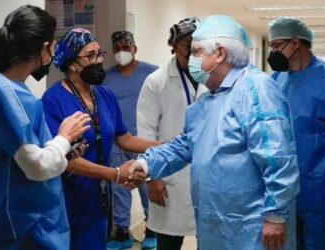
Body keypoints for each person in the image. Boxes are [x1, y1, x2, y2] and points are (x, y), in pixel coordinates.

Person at [127, 15, 300, 250]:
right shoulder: (207, 101)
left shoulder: (256, 91)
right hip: (215, 225)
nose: (191, 59)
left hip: (254, 228)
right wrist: (146, 165)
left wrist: (276, 215)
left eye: (197, 52)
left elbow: (277, 159)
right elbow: (184, 145)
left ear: (220, 54)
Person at [0, 5, 91, 249]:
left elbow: (17, 155)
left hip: (27, 220)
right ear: (44, 48)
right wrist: (64, 136)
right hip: (18, 228)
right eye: (52, 46)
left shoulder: (8, 88)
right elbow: (37, 166)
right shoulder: (1, 92)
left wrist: (64, 150)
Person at [41, 28, 160, 250]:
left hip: (98, 200)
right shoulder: (53, 100)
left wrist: (164, 145)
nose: (98, 61)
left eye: (99, 54)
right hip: (66, 200)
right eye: (89, 56)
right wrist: (115, 174)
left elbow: (124, 138)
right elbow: (66, 160)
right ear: (71, 63)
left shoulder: (104, 95)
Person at [136, 17, 207, 250]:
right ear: (175, 45)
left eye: (199, 43)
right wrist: (153, 177)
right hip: (169, 178)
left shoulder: (212, 77)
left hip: (208, 177)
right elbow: (145, 131)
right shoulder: (156, 81)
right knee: (168, 242)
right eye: (188, 43)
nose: (194, 49)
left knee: (209, 239)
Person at [268, 17, 325, 250]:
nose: (273, 52)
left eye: (277, 45)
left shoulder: (324, 78)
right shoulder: (276, 81)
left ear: (296, 42)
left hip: (320, 187)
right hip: (284, 188)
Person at [103, 31, 158, 250]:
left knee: (148, 186)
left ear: (134, 48)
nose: (121, 52)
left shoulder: (152, 73)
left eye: (125, 47)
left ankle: (152, 230)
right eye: (117, 49)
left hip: (143, 140)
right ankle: (122, 232)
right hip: (116, 141)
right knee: (119, 188)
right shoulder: (106, 78)